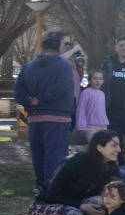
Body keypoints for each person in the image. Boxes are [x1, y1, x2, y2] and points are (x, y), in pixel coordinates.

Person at [15, 31, 78, 190]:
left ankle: (40, 182)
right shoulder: (63, 66)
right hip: (57, 116)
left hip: (34, 117)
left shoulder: (27, 67)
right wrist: (42, 98)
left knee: (38, 152)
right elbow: (61, 87)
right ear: (58, 48)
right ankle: (51, 186)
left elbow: (19, 91)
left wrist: (29, 100)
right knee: (55, 153)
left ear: (42, 48)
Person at [73, 69, 110, 142]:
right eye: (95, 78)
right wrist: (81, 126)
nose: (98, 81)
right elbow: (81, 109)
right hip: (91, 126)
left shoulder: (102, 94)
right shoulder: (86, 92)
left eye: (100, 79)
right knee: (94, 146)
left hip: (103, 126)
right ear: (90, 80)